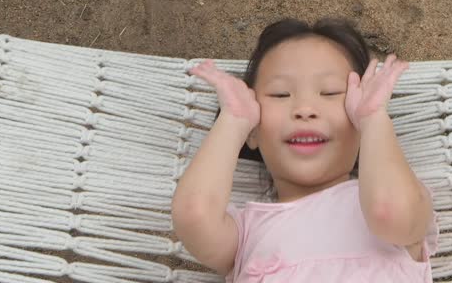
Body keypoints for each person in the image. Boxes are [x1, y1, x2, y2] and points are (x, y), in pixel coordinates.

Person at [171, 17, 438, 282]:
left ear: (358, 125)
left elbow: (388, 211)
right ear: (254, 131)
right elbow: (194, 213)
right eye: (280, 94)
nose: (305, 110)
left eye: (331, 92)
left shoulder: (401, 194)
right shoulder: (246, 235)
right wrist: (234, 121)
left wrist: (373, 119)